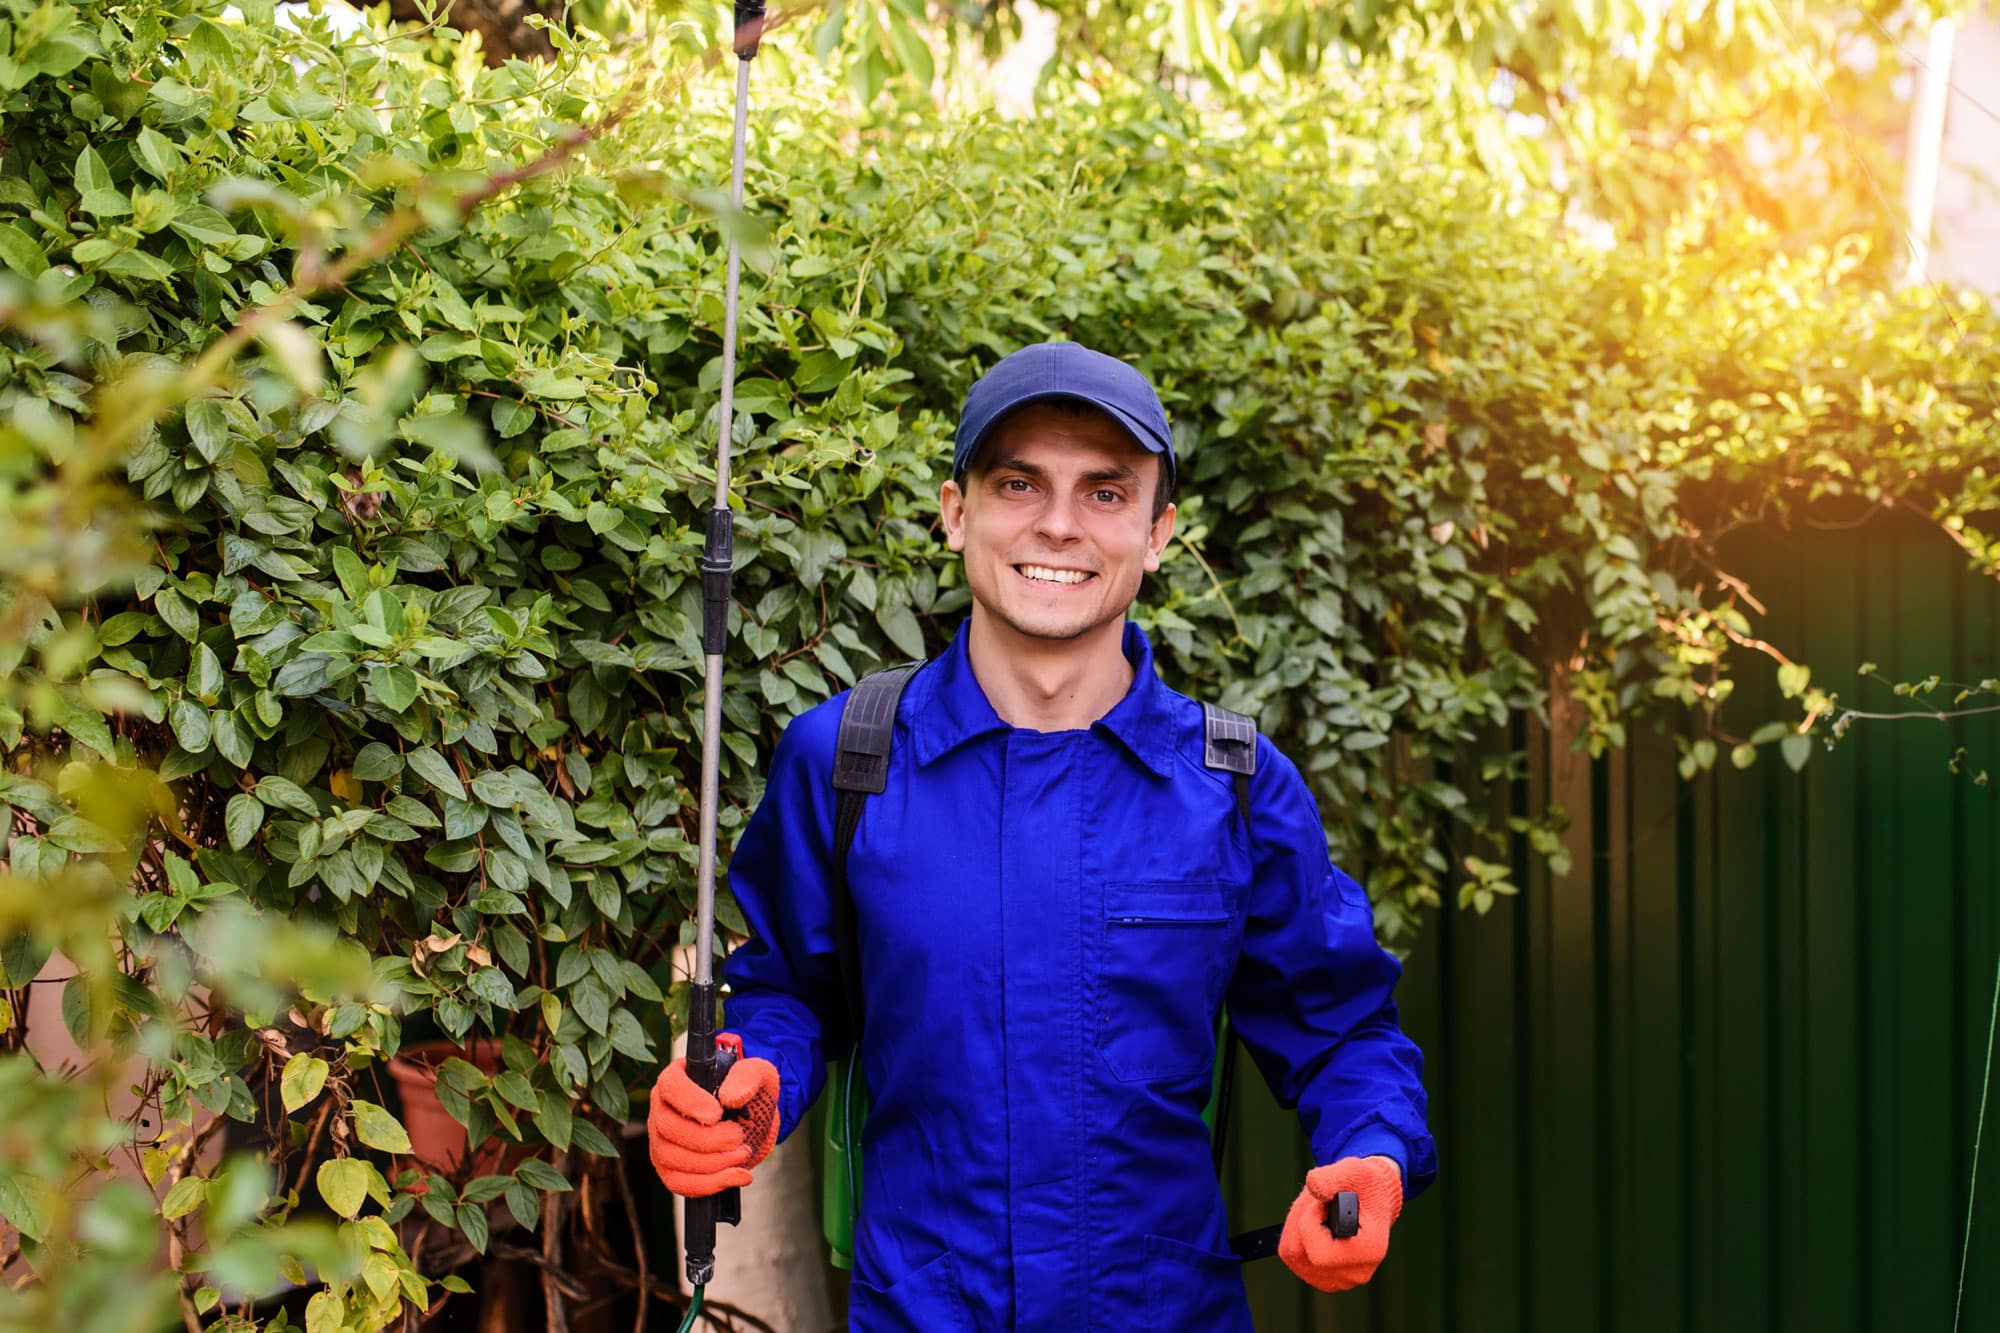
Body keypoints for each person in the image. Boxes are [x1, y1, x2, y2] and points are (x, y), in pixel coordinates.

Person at [647, 341, 1436, 1331]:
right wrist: (742, 1086)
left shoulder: (1230, 788)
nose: (1057, 523)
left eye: (1105, 493)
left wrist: (1368, 1154)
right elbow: (787, 993)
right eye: (1017, 482)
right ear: (955, 511)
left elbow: (1343, 1030)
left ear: (1157, 534)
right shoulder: (846, 758)